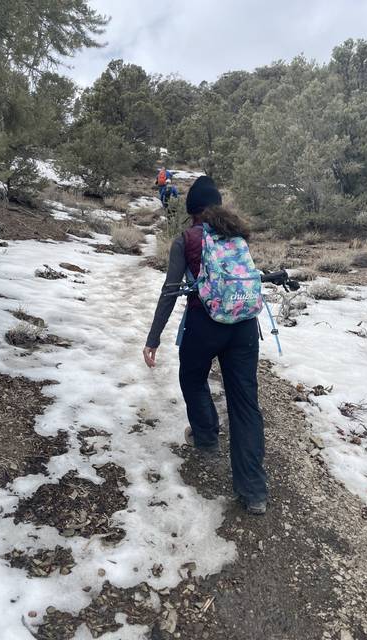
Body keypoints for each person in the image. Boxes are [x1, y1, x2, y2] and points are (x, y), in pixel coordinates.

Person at [143, 176, 268, 515]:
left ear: (191, 210)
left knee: (193, 377)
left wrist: (153, 338)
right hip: (244, 325)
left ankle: (207, 436)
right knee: (244, 401)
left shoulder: (187, 238)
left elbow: (170, 291)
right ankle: (254, 491)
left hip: (205, 324)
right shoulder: (236, 235)